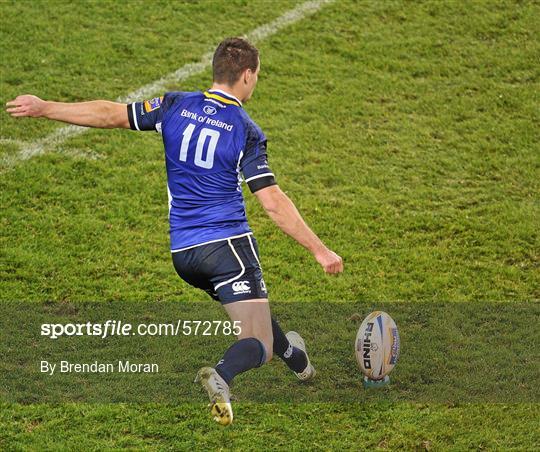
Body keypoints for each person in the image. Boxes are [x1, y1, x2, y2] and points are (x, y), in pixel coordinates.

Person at [6, 37, 343, 425]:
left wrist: (45, 107)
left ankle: (298, 359)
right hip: (227, 247)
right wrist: (320, 250)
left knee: (253, 311)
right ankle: (223, 374)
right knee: (258, 343)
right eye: (258, 76)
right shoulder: (246, 130)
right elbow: (272, 202)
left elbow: (110, 113)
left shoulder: (173, 105)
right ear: (248, 76)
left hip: (184, 254)